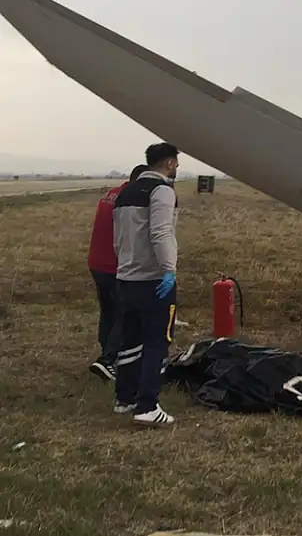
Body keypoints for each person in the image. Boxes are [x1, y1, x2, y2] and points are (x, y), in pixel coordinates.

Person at [112, 142, 181, 426]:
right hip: (153, 281)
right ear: (168, 163)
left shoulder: (125, 193)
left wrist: (124, 265)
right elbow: (162, 231)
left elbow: (118, 238)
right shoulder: (162, 190)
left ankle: (124, 399)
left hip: (126, 278)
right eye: (176, 162)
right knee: (156, 343)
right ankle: (147, 406)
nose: (177, 167)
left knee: (129, 341)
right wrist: (169, 270)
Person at [87, 164, 147, 381]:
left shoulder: (110, 194)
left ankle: (106, 352)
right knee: (125, 313)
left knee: (108, 311)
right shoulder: (131, 199)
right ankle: (108, 360)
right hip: (115, 266)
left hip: (96, 262)